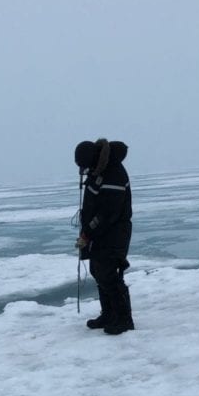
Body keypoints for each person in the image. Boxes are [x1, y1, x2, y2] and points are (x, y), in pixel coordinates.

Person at [74, 138, 134, 334]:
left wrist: (88, 232)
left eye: (84, 166)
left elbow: (108, 213)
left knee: (109, 273)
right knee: (98, 271)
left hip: (114, 232)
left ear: (92, 159)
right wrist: (87, 232)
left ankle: (124, 319)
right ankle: (109, 314)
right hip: (100, 233)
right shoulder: (98, 170)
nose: (83, 170)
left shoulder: (113, 172)